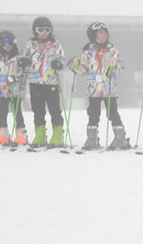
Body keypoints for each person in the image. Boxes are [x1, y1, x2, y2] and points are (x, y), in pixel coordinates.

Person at [69, 22, 129, 151]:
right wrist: (77, 64)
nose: (103, 35)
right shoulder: (88, 52)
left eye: (105, 33)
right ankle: (92, 138)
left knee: (112, 112)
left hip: (109, 89)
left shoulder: (112, 51)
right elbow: (83, 70)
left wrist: (115, 65)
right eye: (100, 33)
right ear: (93, 36)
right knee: (93, 113)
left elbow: (121, 69)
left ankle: (120, 138)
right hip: (93, 89)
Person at [18, 16, 66, 148]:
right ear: (35, 30)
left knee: (54, 109)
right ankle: (40, 134)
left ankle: (57, 135)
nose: (44, 32)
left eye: (47, 29)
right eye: (41, 29)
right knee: (37, 110)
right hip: (35, 82)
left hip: (51, 82)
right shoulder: (30, 45)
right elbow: (23, 57)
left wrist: (59, 64)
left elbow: (62, 59)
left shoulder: (55, 45)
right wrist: (23, 61)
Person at [0, 31, 27, 147]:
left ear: (14, 43)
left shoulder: (20, 56)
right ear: (0, 44)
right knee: (2, 111)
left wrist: (14, 77)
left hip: (15, 89)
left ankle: (21, 134)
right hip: (2, 89)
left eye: (9, 42)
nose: (7, 45)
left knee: (16, 111)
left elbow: (24, 72)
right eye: (4, 43)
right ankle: (3, 134)